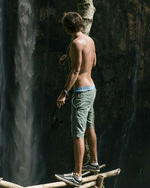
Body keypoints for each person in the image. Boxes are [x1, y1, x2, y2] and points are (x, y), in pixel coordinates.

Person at [55, 12, 100, 187]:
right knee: (90, 126)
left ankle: (77, 175)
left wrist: (64, 93)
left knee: (77, 134)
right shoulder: (89, 41)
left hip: (80, 92)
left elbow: (75, 72)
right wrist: (71, 56)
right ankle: (94, 162)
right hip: (91, 89)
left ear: (67, 28)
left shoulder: (75, 43)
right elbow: (93, 61)